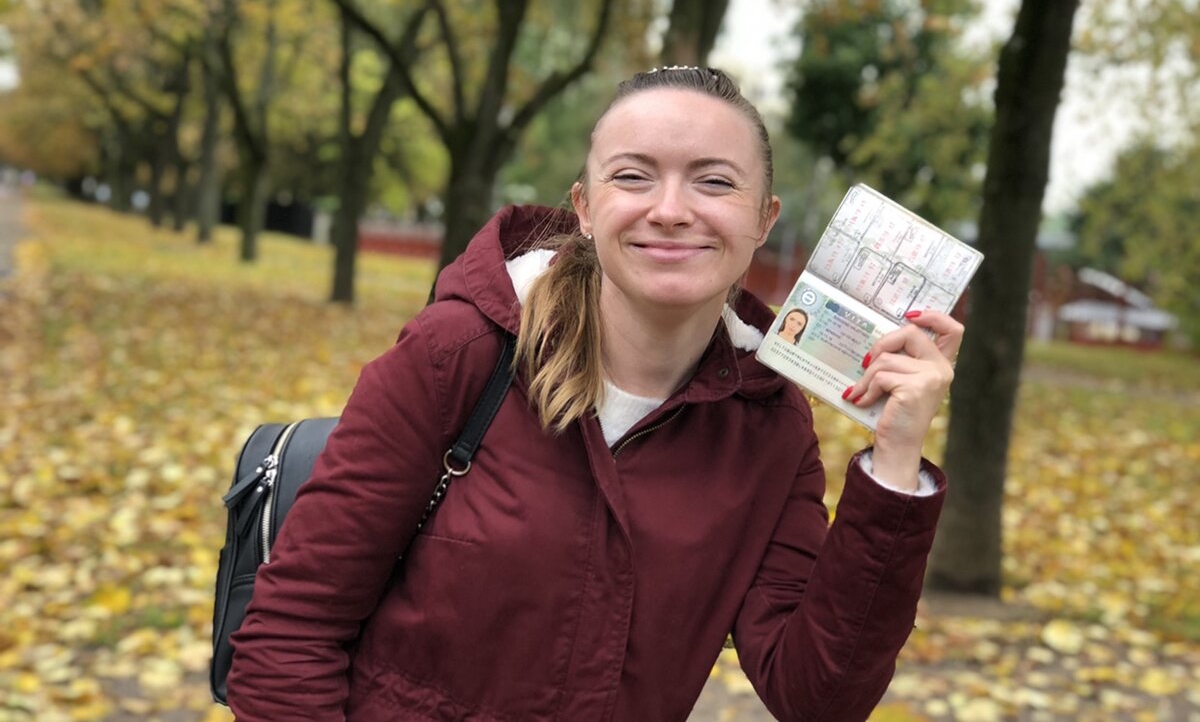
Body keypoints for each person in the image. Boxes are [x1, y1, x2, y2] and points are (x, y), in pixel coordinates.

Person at [227, 66, 961, 722]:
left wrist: (896, 458)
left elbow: (818, 697)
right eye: (633, 176)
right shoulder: (460, 353)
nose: (670, 209)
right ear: (584, 206)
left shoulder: (769, 426)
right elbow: (290, 633)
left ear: (763, 219)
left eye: (713, 182)